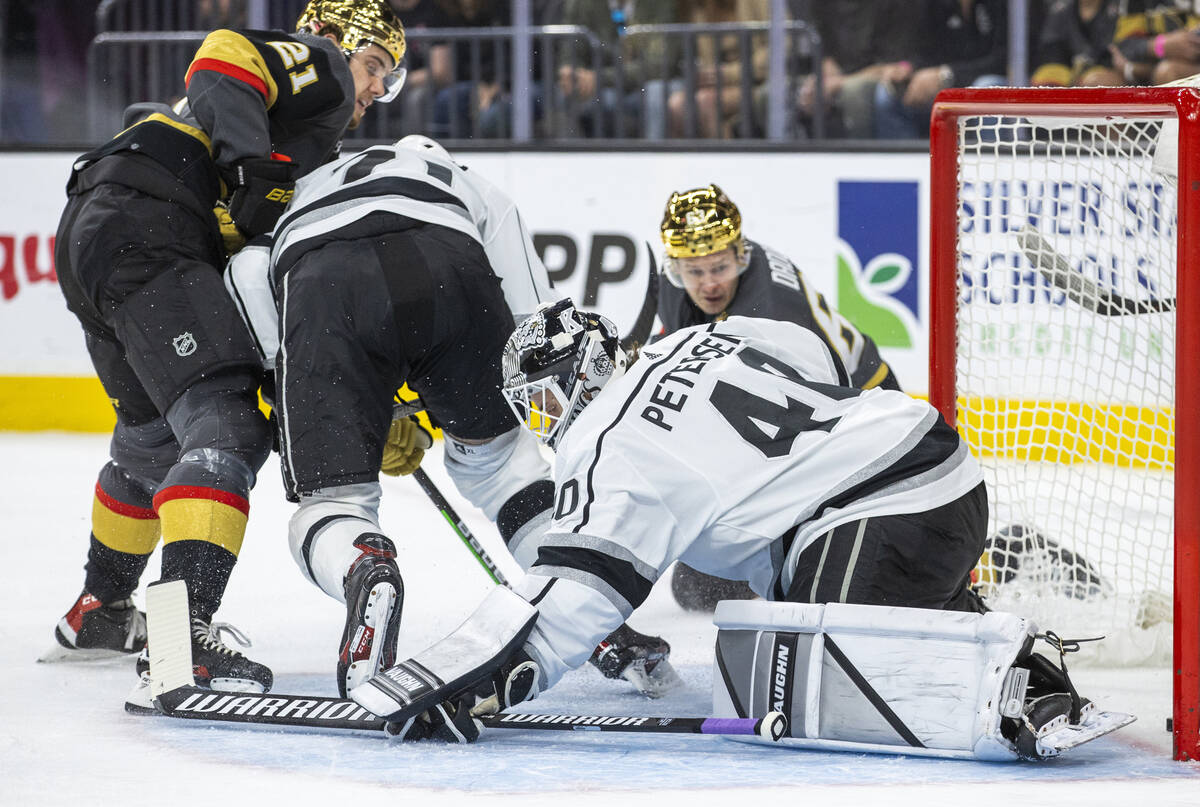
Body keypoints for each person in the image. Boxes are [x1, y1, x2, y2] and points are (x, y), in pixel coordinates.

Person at [349, 303, 1065, 750]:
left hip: (874, 505)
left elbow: (587, 590)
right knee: (764, 638)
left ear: (580, 378)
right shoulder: (695, 339)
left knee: (804, 688)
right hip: (931, 458)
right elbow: (813, 351)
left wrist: (498, 678)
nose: (542, 415)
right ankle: (1007, 651)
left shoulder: (612, 441)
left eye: (542, 396)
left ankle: (1009, 687)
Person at [45, 0, 407, 702]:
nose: (372, 92)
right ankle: (185, 643)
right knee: (229, 424)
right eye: (374, 67)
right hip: (150, 225)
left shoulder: (289, 132)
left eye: (385, 82)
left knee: (154, 441)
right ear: (334, 39)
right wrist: (251, 167)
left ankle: (101, 611)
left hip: (98, 228)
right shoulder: (320, 69)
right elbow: (223, 54)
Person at [231, 134, 677, 697]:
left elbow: (247, 277)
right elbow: (531, 319)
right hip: (447, 263)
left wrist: (316, 389)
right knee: (502, 472)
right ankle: (578, 602)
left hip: (324, 283)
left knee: (335, 503)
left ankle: (363, 565)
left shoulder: (302, 190)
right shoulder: (451, 176)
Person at [656, 183, 901, 609]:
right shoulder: (679, 277)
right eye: (694, 272)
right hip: (810, 405)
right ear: (675, 266)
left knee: (761, 582)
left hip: (865, 413)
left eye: (720, 268)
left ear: (740, 253)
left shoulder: (771, 316)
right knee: (696, 587)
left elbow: (805, 439)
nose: (709, 284)